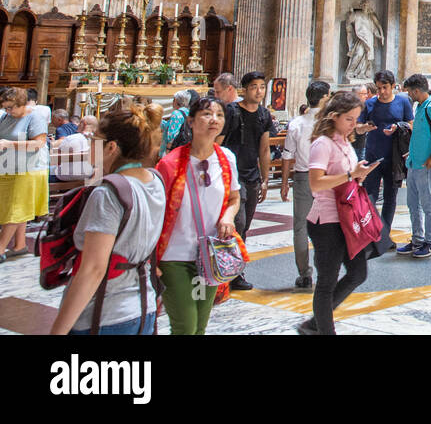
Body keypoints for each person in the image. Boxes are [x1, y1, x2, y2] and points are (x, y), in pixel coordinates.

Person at [49, 100, 165, 335]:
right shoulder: (155, 181)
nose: (90, 145)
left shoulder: (108, 194)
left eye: (94, 140)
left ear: (111, 147)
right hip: (143, 305)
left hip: (104, 314)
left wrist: (57, 331)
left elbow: (93, 270)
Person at [155, 95, 243, 334]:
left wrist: (228, 216)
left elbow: (234, 199)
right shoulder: (169, 163)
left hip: (210, 255)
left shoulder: (226, 159)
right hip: (174, 255)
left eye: (219, 115)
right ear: (191, 121)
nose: (214, 120)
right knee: (185, 325)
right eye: (206, 114)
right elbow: (155, 213)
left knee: (200, 326)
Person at [300, 90, 376, 335]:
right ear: (334, 116)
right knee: (326, 282)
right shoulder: (323, 143)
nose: (354, 125)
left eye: (356, 119)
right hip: (326, 221)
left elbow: (348, 176)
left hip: (347, 218)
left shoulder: (345, 141)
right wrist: (349, 175)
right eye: (349, 119)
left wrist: (359, 173)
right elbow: (315, 183)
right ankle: (323, 329)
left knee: (358, 273)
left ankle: (316, 321)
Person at [218, 71, 274, 289]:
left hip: (251, 175)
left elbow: (264, 148)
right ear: (244, 89)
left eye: (262, 86)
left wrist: (265, 179)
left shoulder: (264, 114)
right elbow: (219, 144)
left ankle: (234, 268)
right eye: (254, 87)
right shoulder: (231, 112)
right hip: (232, 175)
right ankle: (230, 272)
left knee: (245, 225)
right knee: (237, 222)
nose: (259, 91)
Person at [280, 79, 331, 289]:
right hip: (326, 178)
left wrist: (284, 183)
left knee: (300, 227)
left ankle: (305, 273)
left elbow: (287, 155)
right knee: (327, 226)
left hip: (302, 177)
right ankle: (327, 271)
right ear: (324, 98)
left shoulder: (296, 124)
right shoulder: (328, 123)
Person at [357, 70, 413, 253]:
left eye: (385, 88)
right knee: (369, 196)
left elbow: (411, 124)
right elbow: (357, 128)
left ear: (393, 85)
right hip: (373, 155)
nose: (381, 92)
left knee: (391, 197)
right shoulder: (369, 104)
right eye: (379, 88)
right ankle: (376, 233)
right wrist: (364, 127)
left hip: (394, 156)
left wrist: (399, 127)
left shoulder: (403, 102)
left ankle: (384, 234)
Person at [399, 73, 431, 258]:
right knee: (413, 203)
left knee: (427, 204)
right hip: (413, 162)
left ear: (417, 90)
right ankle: (417, 239)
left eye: (410, 92)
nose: (409, 95)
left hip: (426, 164)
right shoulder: (419, 107)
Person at [0, 86, 49, 262]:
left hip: (30, 168)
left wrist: (8, 144)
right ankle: (19, 246)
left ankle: (0, 248)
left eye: (11, 107)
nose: (8, 111)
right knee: (14, 206)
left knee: (15, 208)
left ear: (22, 104)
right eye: (5, 107)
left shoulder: (35, 117)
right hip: (8, 167)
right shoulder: (6, 117)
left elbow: (39, 143)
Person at [51, 114, 97, 182]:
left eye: (79, 123)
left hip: (65, 177)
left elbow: (57, 160)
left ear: (83, 123)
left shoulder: (71, 138)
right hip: (87, 176)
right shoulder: (98, 142)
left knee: (43, 170)